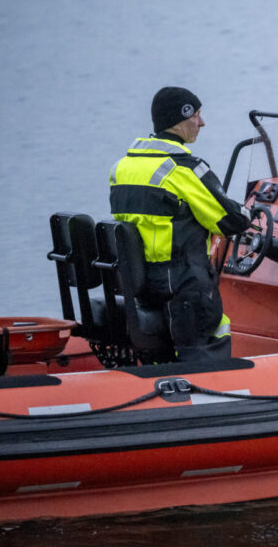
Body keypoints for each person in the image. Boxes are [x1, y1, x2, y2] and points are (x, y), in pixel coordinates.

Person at [109, 86, 251, 361]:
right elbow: (230, 220)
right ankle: (215, 393)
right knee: (211, 331)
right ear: (181, 118)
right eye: (197, 115)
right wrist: (251, 215)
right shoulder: (183, 168)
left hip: (141, 283)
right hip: (184, 283)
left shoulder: (123, 167)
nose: (202, 122)